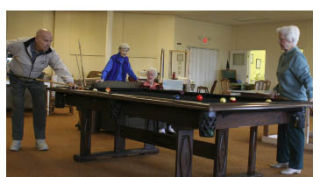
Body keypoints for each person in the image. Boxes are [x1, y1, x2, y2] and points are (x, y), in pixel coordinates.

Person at [7, 29, 75, 151]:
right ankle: (16, 140)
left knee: (40, 108)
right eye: (45, 40)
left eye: (50, 41)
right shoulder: (19, 44)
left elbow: (60, 67)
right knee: (18, 107)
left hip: (36, 79)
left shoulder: (51, 53)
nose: (48, 44)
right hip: (17, 78)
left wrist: (69, 81)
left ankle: (40, 139)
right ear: (36, 38)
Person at [270, 25, 313, 175]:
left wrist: (311, 97)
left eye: (281, 39)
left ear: (291, 40)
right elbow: (284, 79)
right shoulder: (284, 56)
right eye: (280, 39)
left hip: (296, 102)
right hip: (283, 100)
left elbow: (307, 79)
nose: (279, 42)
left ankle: (296, 165)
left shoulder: (297, 57)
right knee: (283, 131)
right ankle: (283, 159)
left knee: (295, 134)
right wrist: (276, 89)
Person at [141, 68, 175, 134]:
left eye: (152, 75)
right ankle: (162, 128)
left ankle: (169, 126)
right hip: (148, 104)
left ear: (155, 76)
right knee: (160, 108)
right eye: (149, 74)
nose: (150, 76)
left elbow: (163, 95)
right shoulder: (143, 85)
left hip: (158, 102)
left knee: (168, 107)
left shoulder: (159, 86)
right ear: (146, 75)